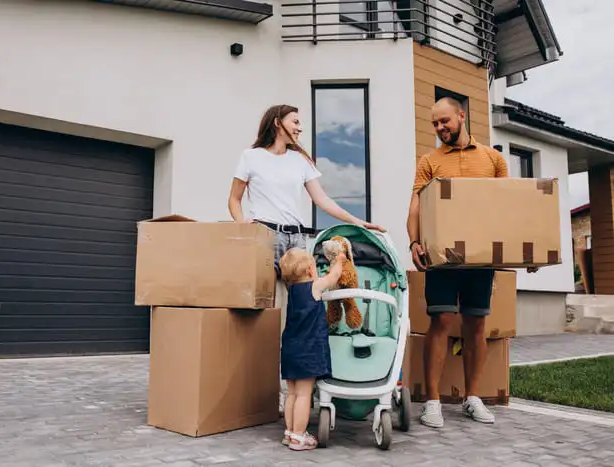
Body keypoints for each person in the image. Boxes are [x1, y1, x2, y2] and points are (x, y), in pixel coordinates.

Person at [228, 104, 385, 412]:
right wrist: (241, 223)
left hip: (296, 240)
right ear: (278, 123)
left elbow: (322, 200)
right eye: (295, 122)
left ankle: (297, 394)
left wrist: (359, 222)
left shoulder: (300, 161)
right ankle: (259, 391)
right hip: (263, 236)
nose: (300, 127)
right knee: (263, 315)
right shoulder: (251, 157)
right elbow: (233, 199)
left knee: (301, 313)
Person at [406, 96, 536, 429]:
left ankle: (472, 397)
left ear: (461, 116)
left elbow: (505, 208)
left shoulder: (493, 159)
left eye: (444, 121)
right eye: (434, 123)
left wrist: (525, 250)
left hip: (480, 257)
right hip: (443, 258)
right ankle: (432, 401)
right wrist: (414, 242)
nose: (439, 128)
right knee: (442, 320)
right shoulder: (429, 160)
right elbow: (417, 206)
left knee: (476, 324)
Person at [277, 247, 345, 451]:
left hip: (290, 350)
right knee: (304, 395)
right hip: (307, 350)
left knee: (292, 394)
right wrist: (340, 260)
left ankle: (289, 432)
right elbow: (333, 277)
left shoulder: (293, 291)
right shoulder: (314, 287)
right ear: (309, 269)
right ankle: (299, 435)